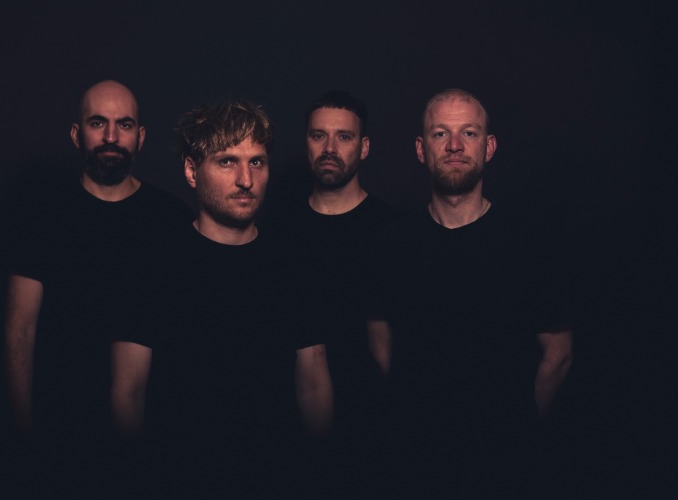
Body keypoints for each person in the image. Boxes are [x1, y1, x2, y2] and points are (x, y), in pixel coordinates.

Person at [111, 98, 333, 498]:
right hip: (177, 481)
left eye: (257, 162)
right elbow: (128, 392)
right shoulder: (153, 267)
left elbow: (314, 385)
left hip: (278, 480)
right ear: (191, 171)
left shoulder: (294, 265)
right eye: (227, 162)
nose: (246, 179)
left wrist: (319, 477)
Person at [366, 88, 573, 498]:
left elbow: (559, 353)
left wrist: (516, 426)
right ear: (421, 149)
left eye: (469, 133)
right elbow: (380, 342)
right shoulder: (390, 246)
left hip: (506, 462)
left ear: (489, 147)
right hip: (414, 460)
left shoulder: (530, 246)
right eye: (440, 133)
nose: (455, 145)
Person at [2, 79, 192, 494]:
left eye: (124, 124)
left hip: (152, 436)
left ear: (140, 137)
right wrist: (23, 432)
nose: (110, 136)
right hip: (61, 431)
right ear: (77, 134)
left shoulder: (171, 219)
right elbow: (20, 330)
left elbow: (191, 335)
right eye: (97, 123)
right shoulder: (43, 215)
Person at [263, 89, 398, 495]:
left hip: (374, 429)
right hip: (286, 429)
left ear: (364, 147)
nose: (330, 148)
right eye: (318, 135)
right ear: (305, 142)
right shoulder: (275, 231)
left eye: (344, 136)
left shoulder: (393, 232)